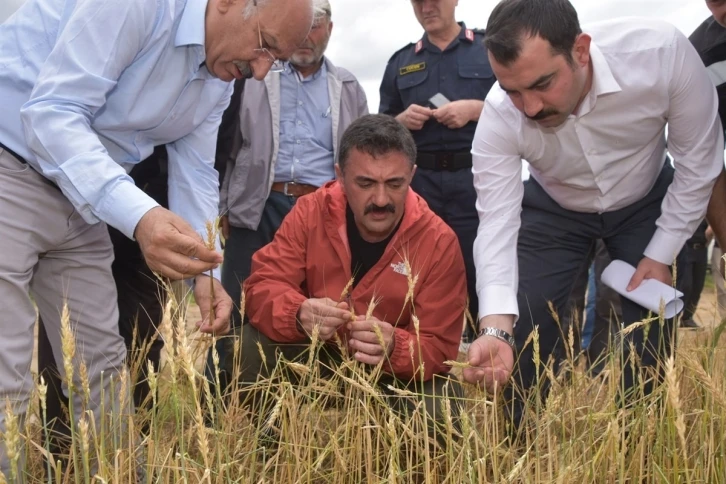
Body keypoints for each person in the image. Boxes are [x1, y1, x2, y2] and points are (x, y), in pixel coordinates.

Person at [0, 0, 314, 470]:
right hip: (11, 166)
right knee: (8, 375)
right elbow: (51, 114)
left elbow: (195, 170)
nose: (261, 71)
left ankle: (115, 473)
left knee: (102, 366)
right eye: (265, 46)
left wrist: (205, 270)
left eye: (278, 60)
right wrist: (141, 217)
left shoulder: (218, 75)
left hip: (82, 192)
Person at [462, 0, 724, 431]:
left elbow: (699, 162)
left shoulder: (662, 55)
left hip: (643, 201)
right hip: (554, 207)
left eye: (542, 83)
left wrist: (660, 253)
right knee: (527, 316)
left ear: (580, 50)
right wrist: (494, 327)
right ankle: (515, 440)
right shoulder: (499, 116)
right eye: (512, 90)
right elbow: (496, 224)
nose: (527, 107)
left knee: (649, 329)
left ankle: (636, 442)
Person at [233, 114, 468, 440]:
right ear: (340, 177)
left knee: (442, 410)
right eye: (366, 183)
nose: (381, 200)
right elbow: (261, 286)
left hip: (391, 372)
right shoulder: (309, 212)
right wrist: (298, 314)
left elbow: (440, 348)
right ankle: (283, 449)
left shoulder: (439, 241)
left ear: (412, 175)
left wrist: (394, 347)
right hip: (316, 354)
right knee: (238, 350)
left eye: (395, 184)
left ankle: (388, 466)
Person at [208, 0, 369, 394]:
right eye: (302, 26)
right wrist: (226, 203)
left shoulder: (348, 86)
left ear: (330, 29)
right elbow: (229, 141)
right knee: (237, 303)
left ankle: (289, 401)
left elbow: (361, 152)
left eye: (315, 26)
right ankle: (215, 406)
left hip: (322, 211)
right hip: (259, 204)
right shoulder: (254, 74)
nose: (305, 36)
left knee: (305, 310)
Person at [379, 0, 497, 343]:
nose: (427, 7)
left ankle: (485, 354)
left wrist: (476, 109)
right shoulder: (401, 61)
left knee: (482, 272)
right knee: (413, 273)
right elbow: (381, 127)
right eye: (419, 1)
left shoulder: (489, 48)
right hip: (421, 187)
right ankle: (413, 354)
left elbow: (521, 103)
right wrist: (400, 122)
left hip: (478, 182)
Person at [676, 220, 710, 329]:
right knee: (686, 285)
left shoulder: (706, 213)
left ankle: (687, 317)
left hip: (701, 250)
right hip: (686, 248)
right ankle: (675, 315)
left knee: (697, 286)